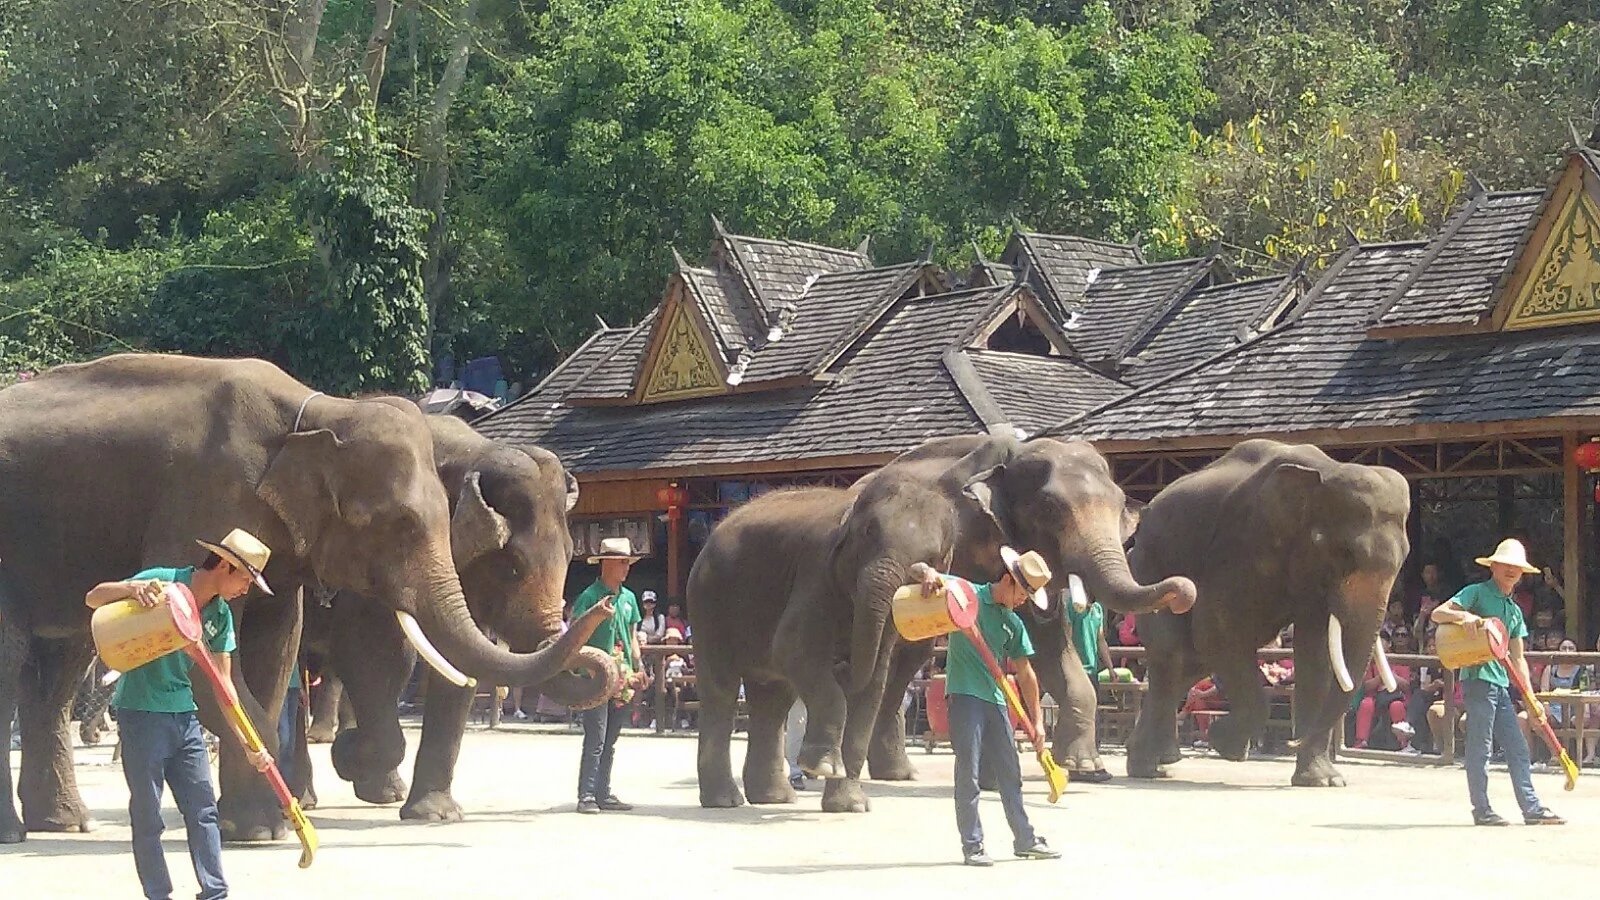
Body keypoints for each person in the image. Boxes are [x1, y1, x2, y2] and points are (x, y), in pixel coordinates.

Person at [84, 529, 277, 900]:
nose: (246, 589)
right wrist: (131, 590)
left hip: (184, 718)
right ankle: (158, 893)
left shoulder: (220, 617)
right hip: (140, 715)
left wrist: (247, 744)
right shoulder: (163, 583)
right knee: (148, 815)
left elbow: (225, 686)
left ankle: (215, 890)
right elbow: (94, 598)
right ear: (225, 565)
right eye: (246, 579)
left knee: (203, 810)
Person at [910, 547, 1060, 867]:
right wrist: (929, 575)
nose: (1024, 601)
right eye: (1023, 593)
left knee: (1010, 774)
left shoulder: (1014, 624)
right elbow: (918, 567)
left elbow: (1026, 674)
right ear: (1008, 580)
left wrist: (1038, 723)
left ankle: (1025, 839)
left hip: (996, 701)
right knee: (969, 773)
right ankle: (973, 845)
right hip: (965, 697)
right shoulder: (966, 594)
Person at [1431, 538, 1564, 826]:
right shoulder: (1476, 592)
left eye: (1516, 567)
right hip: (1477, 679)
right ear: (1494, 566)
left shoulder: (1515, 611)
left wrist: (1531, 698)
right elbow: (1438, 613)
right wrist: (1464, 616)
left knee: (1517, 746)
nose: (1511, 571)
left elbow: (1518, 658)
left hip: (1501, 684)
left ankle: (1532, 808)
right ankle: (1482, 809)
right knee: (1481, 745)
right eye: (1506, 565)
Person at [570, 537, 644, 814]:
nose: (626, 568)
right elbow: (575, 634)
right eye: (622, 562)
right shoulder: (590, 597)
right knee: (596, 737)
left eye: (627, 563)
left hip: (622, 675)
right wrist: (586, 665)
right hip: (596, 675)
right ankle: (586, 794)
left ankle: (603, 792)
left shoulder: (629, 598)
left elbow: (633, 637)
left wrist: (639, 667)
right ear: (606, 564)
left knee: (610, 739)